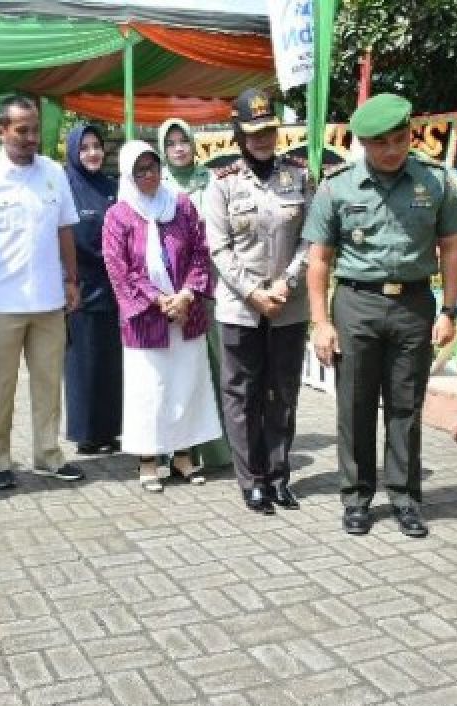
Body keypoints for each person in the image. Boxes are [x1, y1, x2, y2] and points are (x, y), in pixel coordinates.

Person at [303, 93, 457, 537]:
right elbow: (319, 259)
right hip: (357, 303)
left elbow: (452, 247)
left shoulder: (435, 182)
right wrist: (321, 322)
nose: (392, 150)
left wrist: (450, 309)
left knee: (406, 406)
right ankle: (356, 497)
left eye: (400, 139)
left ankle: (405, 498)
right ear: (363, 143)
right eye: (381, 143)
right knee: (354, 405)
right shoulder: (337, 186)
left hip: (414, 304)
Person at [0, 95, 85, 491]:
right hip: (1, 301)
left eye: (34, 129)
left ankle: (48, 454)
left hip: (49, 299)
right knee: (0, 385)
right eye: (22, 130)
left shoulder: (53, 173)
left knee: (49, 382)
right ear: (1, 131)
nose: (31, 137)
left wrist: (71, 280)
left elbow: (65, 229)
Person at [206, 89, 312, 515]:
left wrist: (286, 283)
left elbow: (311, 237)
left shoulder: (300, 176)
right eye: (254, 132)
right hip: (240, 307)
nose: (263, 139)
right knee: (242, 394)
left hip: (289, 303)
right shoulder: (223, 183)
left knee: (282, 392)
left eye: (269, 130)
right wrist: (254, 292)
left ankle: (278, 475)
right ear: (240, 134)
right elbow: (219, 249)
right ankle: (251, 480)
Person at [102, 141, 221, 492]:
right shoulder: (119, 215)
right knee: (149, 389)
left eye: (153, 167)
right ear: (128, 174)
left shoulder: (181, 205)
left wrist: (186, 294)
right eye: (140, 170)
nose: (149, 175)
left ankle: (183, 457)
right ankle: (149, 460)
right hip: (145, 320)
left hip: (186, 313)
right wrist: (158, 300)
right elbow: (119, 270)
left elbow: (201, 252)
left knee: (186, 384)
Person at [158, 117, 233, 472]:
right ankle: (179, 450)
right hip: (172, 295)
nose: (178, 148)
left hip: (212, 288)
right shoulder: (158, 186)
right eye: (171, 143)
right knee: (179, 369)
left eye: (183, 141)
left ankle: (221, 449)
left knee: (219, 366)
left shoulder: (212, 181)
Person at [61, 124, 121, 455]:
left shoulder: (112, 186)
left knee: (110, 363)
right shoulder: (66, 186)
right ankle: (85, 433)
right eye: (84, 148)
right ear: (73, 152)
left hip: (115, 289)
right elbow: (71, 237)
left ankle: (109, 430)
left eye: (97, 146)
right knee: (83, 363)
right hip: (80, 288)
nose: (92, 153)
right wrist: (110, 256)